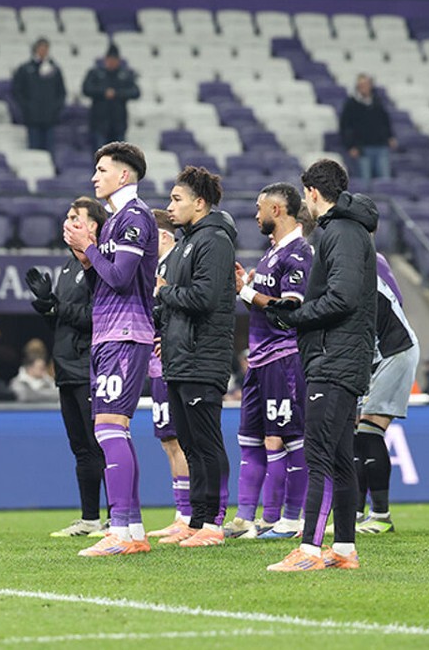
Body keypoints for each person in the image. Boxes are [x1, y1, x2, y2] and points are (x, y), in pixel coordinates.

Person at [265, 158, 377, 572]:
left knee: (319, 457)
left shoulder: (342, 231)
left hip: (334, 358)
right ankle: (344, 549)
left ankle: (309, 550)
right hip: (339, 356)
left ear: (312, 193)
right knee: (340, 459)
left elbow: (343, 297)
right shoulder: (347, 229)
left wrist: (297, 316)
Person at [66, 142, 157, 557]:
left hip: (125, 331)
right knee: (113, 428)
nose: (94, 177)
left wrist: (89, 249)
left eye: (102, 170)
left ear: (123, 175)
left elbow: (120, 278)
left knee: (107, 428)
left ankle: (119, 530)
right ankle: (132, 529)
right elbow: (102, 283)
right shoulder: (117, 219)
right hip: (108, 332)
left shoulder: (134, 217)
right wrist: (86, 259)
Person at [153, 166, 236, 548]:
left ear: (199, 203)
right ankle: (197, 520)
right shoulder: (187, 242)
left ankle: (214, 524)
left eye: (177, 199)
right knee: (189, 442)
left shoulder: (214, 241)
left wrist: (164, 292)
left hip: (203, 357)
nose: (170, 206)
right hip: (180, 358)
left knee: (206, 441)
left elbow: (204, 297)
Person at [225, 182, 312, 541]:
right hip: (259, 360)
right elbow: (266, 306)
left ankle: (289, 520)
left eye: (260, 208)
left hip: (284, 359)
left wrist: (246, 291)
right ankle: (246, 519)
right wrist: (246, 288)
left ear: (277, 210)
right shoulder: (272, 253)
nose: (256, 215)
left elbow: (290, 309)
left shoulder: (300, 253)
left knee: (289, 439)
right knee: (251, 439)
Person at [26, 196, 107, 537]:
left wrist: (58, 307)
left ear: (93, 226)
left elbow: (98, 317)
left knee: (101, 444)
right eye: (67, 216)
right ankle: (90, 519)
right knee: (81, 448)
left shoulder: (101, 265)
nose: (67, 222)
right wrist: (47, 306)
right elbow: (62, 324)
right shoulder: (68, 266)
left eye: (76, 217)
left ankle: (117, 518)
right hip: (65, 368)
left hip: (90, 366)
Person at [352, 253, 419, 534]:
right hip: (374, 355)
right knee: (355, 436)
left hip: (394, 351)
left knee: (369, 431)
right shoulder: (367, 263)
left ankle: (381, 515)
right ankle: (354, 514)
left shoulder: (361, 268)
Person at [143, 209, 193, 540]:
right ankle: (181, 513)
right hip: (158, 365)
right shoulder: (158, 267)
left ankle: (189, 514)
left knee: (179, 441)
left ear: (162, 236)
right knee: (168, 441)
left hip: (174, 363)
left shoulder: (175, 265)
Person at [339, 74, 396, 185]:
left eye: (366, 84)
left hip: (380, 146)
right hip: (362, 149)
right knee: (365, 182)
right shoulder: (351, 104)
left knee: (385, 180)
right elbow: (345, 127)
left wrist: (390, 136)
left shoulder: (377, 102)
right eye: (361, 85)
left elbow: (385, 121)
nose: (363, 87)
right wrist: (350, 146)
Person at [13, 38, 66, 153]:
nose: (43, 51)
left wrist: (55, 109)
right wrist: (27, 107)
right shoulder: (25, 69)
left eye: (45, 48)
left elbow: (61, 92)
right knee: (34, 152)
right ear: (36, 49)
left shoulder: (54, 70)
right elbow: (17, 91)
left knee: (49, 151)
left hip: (50, 118)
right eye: (41, 48)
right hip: (32, 118)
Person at [81, 46, 139, 153]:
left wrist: (117, 94)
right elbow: (86, 89)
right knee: (101, 155)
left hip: (118, 123)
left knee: (119, 157)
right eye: (110, 60)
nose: (112, 62)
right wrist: (103, 92)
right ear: (105, 60)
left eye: (114, 60)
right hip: (99, 123)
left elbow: (135, 92)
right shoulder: (95, 73)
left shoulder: (125, 74)